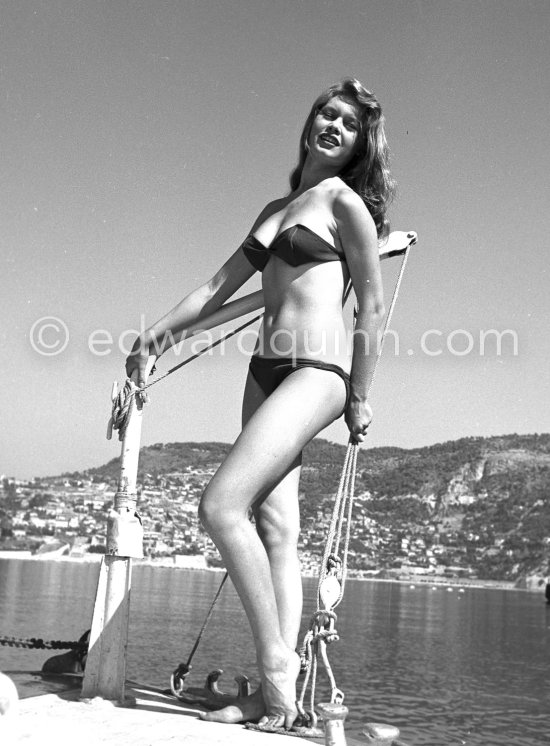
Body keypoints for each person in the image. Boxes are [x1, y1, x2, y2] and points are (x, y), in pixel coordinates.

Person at [126, 77, 395, 730]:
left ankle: (279, 669)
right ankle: (272, 698)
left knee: (220, 506)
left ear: (359, 144)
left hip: (318, 370)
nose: (332, 124)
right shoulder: (276, 209)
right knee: (274, 531)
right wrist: (150, 341)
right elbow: (216, 289)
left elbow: (372, 305)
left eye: (347, 123)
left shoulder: (343, 205)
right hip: (264, 371)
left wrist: (359, 394)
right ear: (308, 124)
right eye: (324, 114)